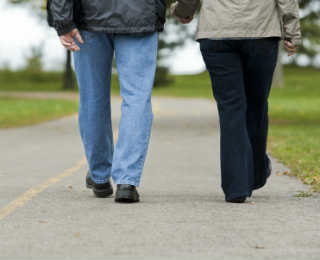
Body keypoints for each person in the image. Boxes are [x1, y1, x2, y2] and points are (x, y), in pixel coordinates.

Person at [172, 0, 301, 203]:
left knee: (231, 109)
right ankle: (254, 174)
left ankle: (237, 186)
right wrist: (292, 32)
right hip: (261, 33)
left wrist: (184, 11)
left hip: (217, 33)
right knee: (256, 105)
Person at [47, 0, 166, 203]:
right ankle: (127, 181)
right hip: (140, 15)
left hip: (88, 17)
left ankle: (100, 176)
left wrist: (63, 21)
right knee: (137, 97)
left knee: (92, 97)